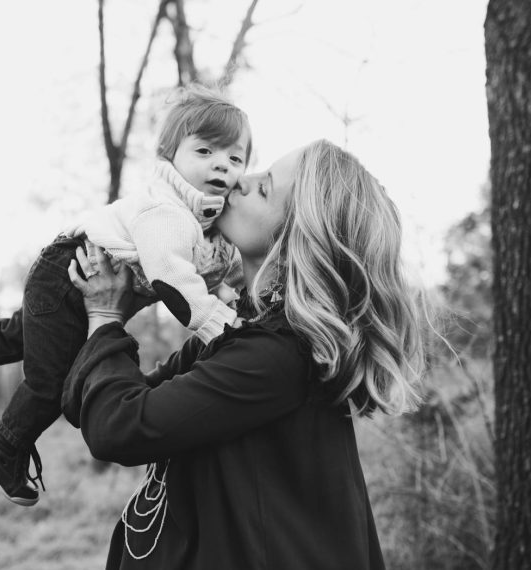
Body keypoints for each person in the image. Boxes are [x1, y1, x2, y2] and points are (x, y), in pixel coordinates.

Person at [62, 139, 425, 569]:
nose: (240, 178)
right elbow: (93, 405)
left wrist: (105, 316)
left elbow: (118, 427)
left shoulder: (279, 355)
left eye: (264, 188)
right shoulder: (239, 331)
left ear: (298, 237)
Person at [0, 85, 251, 507]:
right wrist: (220, 324)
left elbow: (219, 269)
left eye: (235, 158)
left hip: (67, 273)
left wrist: (235, 292)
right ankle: (2, 447)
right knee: (53, 376)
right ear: (169, 155)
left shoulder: (205, 222)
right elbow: (173, 279)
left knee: (20, 333)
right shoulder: (167, 212)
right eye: (205, 151)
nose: (222, 165)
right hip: (69, 269)